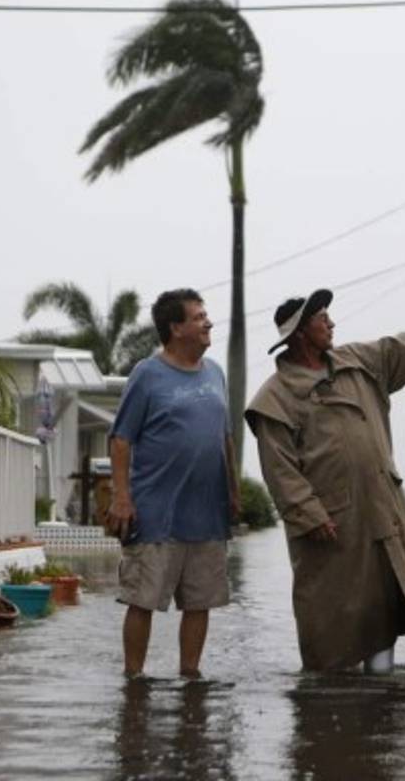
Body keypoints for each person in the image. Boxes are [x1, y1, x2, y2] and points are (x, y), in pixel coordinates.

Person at [245, 289, 405, 672]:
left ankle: (380, 697)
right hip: (330, 525)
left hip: (381, 511)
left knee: (382, 607)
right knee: (332, 618)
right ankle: (329, 706)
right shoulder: (274, 397)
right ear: (299, 332)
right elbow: (279, 469)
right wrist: (308, 515)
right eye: (322, 319)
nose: (331, 324)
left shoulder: (360, 362)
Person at [107, 288, 240, 678]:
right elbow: (120, 439)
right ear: (176, 327)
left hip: (207, 512)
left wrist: (232, 491)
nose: (208, 322)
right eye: (199, 317)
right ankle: (134, 679)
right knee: (142, 600)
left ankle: (190, 676)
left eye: (205, 315)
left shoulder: (215, 372)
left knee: (201, 601)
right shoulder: (147, 374)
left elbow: (225, 437)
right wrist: (122, 498)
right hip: (155, 511)